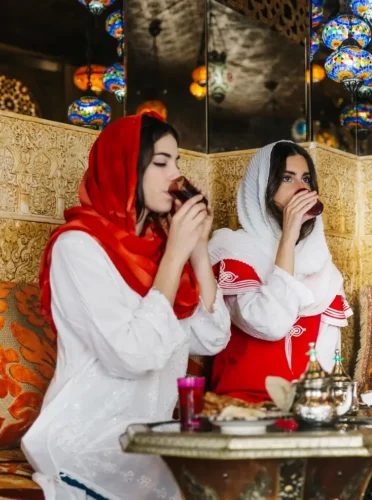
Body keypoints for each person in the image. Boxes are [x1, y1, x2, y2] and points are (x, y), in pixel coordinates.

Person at [21, 113, 231, 500]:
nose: (176, 174)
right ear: (124, 169)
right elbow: (134, 356)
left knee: (228, 479)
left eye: (177, 162)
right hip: (87, 440)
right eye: (161, 162)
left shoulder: (161, 249)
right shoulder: (78, 247)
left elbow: (211, 338)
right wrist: (175, 257)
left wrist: (198, 249)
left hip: (146, 440)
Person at [208, 141, 352, 403]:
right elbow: (271, 324)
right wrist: (288, 238)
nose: (301, 188)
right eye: (287, 178)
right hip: (241, 407)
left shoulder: (322, 265)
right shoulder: (233, 249)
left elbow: (328, 357)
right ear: (263, 186)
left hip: (305, 408)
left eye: (306, 179)